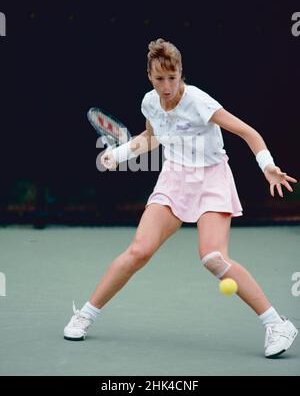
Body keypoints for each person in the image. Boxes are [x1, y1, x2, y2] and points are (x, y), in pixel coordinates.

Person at [64, 38, 298, 358]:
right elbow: (150, 138)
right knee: (138, 251)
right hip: (175, 178)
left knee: (213, 258)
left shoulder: (199, 101)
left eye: (172, 78)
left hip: (212, 178)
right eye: (160, 79)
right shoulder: (149, 102)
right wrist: (117, 155)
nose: (167, 86)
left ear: (181, 73)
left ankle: (277, 323)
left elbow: (248, 132)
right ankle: (86, 314)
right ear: (150, 76)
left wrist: (267, 166)